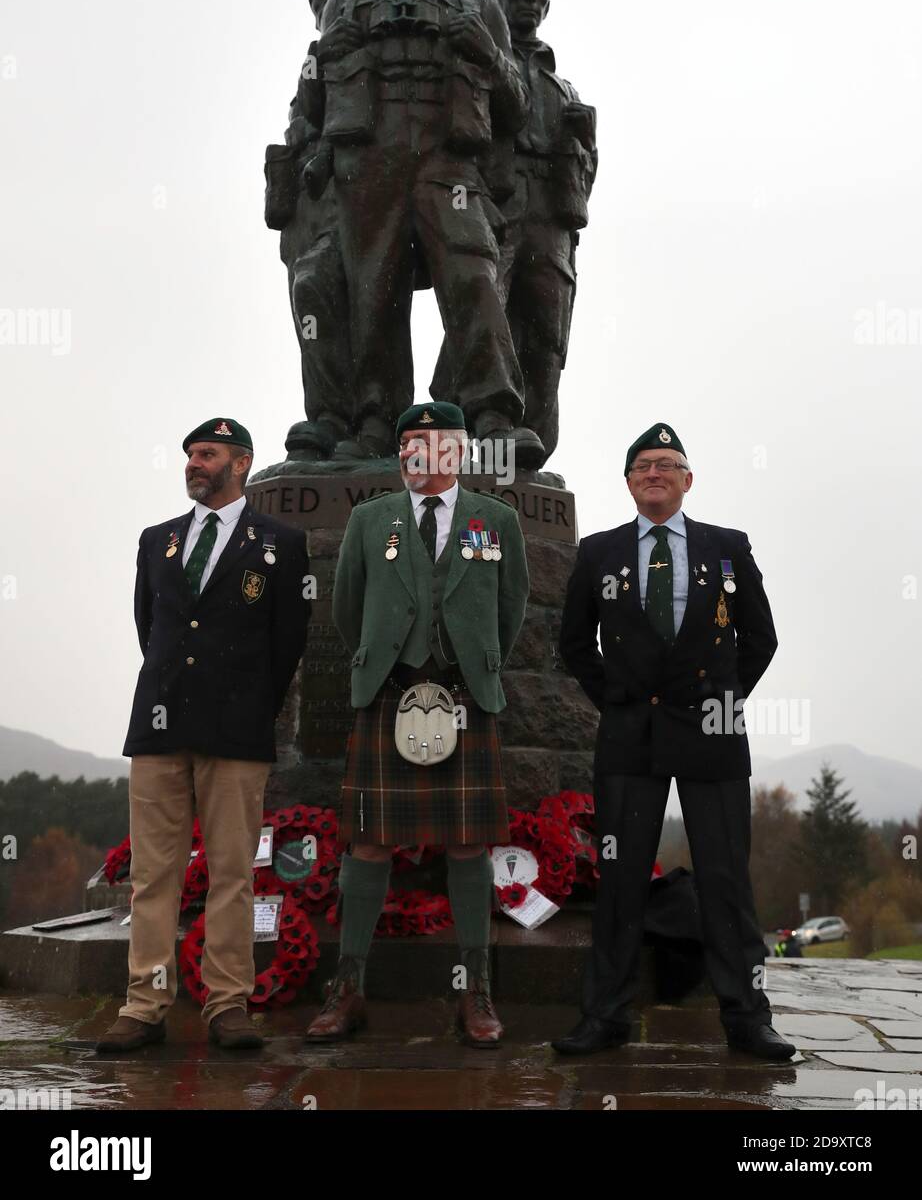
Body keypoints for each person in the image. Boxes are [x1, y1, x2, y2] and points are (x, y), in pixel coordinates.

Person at [552, 423, 795, 1060]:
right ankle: (605, 1016)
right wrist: (620, 700)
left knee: (725, 879)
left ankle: (747, 1017)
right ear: (628, 482)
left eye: (666, 464)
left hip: (711, 732)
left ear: (688, 479)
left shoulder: (728, 547)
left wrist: (721, 698)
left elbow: (761, 637)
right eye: (641, 466)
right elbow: (575, 646)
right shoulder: (599, 552)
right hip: (630, 733)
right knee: (621, 876)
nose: (653, 473)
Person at [304, 401, 528, 1046]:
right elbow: (348, 606)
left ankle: (477, 994)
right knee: (369, 842)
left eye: (427, 443)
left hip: (464, 700)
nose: (412, 453)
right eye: (405, 444)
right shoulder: (370, 520)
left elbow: (509, 609)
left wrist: (473, 669)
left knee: (468, 845)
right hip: (389, 695)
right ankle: (347, 990)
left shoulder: (497, 521)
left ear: (458, 450)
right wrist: (388, 668)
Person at [309, 0, 542, 461]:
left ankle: (492, 413)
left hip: (448, 163)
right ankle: (373, 422)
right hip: (371, 162)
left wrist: (488, 52)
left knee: (473, 277)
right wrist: (323, 51)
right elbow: (311, 100)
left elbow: (515, 106)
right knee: (374, 291)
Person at [97, 419, 310, 1052]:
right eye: (191, 453)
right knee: (154, 875)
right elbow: (150, 630)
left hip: (237, 730)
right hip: (160, 726)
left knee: (231, 873)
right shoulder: (156, 541)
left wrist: (247, 707)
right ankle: (144, 1005)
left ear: (241, 464)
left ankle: (227, 1005)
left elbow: (286, 643)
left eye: (208, 454)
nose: (195, 463)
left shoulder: (279, 543)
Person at [432, 0, 597, 467]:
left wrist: (583, 143)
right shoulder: (477, 60)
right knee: (482, 313)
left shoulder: (563, 86)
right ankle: (450, 429)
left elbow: (587, 176)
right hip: (495, 206)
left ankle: (524, 454)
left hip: (551, 221)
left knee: (548, 337)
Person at [266, 0, 357, 459]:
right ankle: (328, 415)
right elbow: (302, 115)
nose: (330, 1)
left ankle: (370, 419)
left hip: (360, 194)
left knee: (340, 294)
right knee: (311, 305)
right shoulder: (316, 54)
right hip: (309, 206)